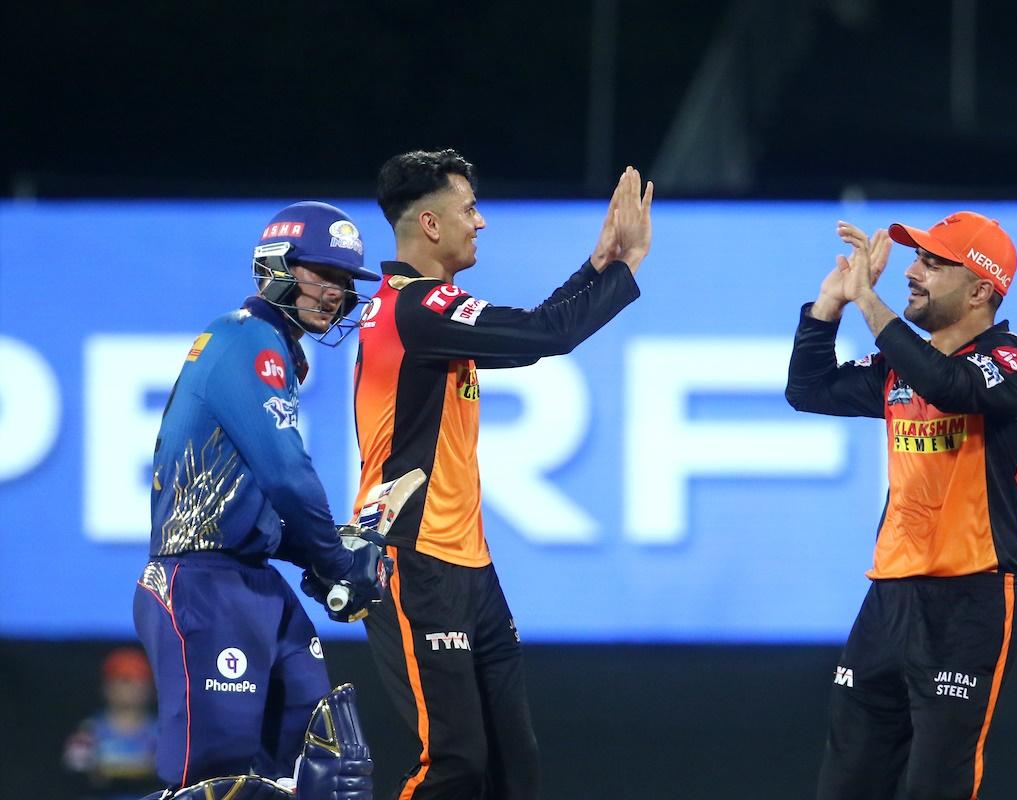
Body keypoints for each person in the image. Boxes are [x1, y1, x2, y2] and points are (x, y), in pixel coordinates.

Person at [353, 149, 652, 799]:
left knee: (512, 767)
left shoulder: (427, 309)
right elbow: (547, 335)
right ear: (430, 226)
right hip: (417, 559)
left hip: (468, 567)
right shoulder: (416, 310)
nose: (480, 223)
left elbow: (533, 332)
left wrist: (598, 264)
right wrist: (623, 266)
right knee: (453, 765)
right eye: (469, 209)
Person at [132, 201, 391, 799]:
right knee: (215, 782)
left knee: (322, 772)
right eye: (322, 274)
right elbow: (288, 477)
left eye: (345, 282)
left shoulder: (271, 350)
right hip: (200, 583)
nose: (336, 294)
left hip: (251, 582)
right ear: (277, 267)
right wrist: (336, 562)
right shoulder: (247, 341)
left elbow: (267, 508)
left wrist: (324, 557)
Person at [785, 212, 1017, 800]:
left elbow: (948, 386)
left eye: (933, 262)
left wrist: (871, 304)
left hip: (969, 603)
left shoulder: (1011, 360)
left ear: (981, 290)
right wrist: (831, 305)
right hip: (888, 599)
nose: (912, 270)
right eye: (917, 257)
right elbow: (808, 389)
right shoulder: (901, 367)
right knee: (845, 784)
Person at [63, 647, 159, 800]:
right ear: (107, 686)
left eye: (140, 681)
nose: (133, 688)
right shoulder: (89, 730)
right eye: (125, 681)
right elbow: (77, 768)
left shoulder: (160, 732)